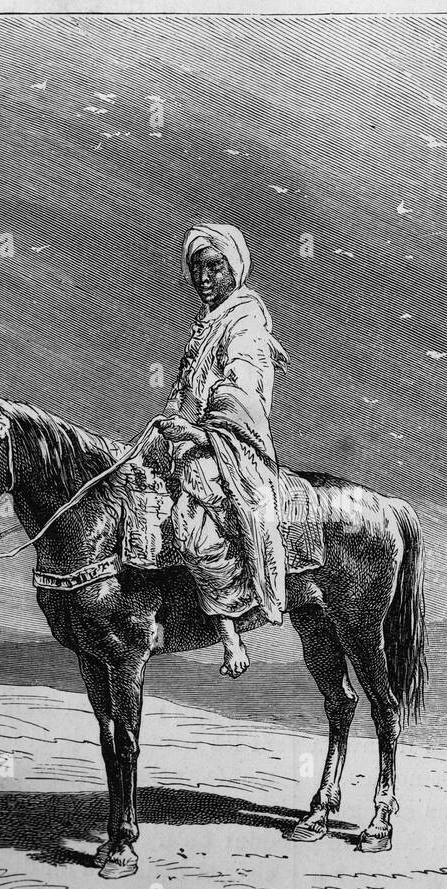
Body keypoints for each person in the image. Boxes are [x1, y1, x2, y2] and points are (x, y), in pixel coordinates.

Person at [150, 224, 287, 678]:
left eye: (214, 266)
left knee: (191, 520)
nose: (203, 276)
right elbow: (188, 388)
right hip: (196, 432)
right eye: (196, 267)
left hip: (232, 442)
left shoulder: (246, 320)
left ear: (235, 267)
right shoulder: (208, 324)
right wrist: (171, 420)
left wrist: (193, 432)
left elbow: (243, 390)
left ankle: (230, 634)